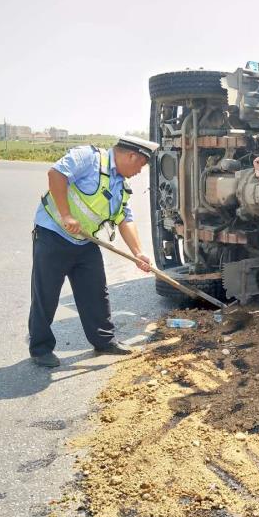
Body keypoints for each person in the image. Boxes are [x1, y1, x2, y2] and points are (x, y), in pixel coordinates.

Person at [29, 136, 159, 367]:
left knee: (96, 292)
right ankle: (40, 348)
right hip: (54, 234)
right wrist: (67, 214)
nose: (140, 172)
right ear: (131, 156)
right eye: (141, 165)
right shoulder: (88, 158)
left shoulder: (120, 184)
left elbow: (123, 218)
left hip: (85, 242)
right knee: (46, 294)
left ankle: (104, 341)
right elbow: (56, 174)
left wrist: (138, 253)